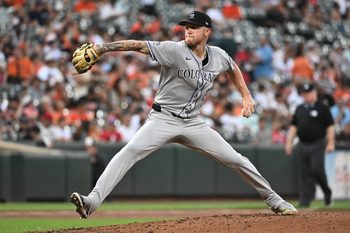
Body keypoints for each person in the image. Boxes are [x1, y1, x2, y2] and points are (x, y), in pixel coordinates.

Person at [70, 10, 297, 218]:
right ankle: (92, 202)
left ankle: (273, 199)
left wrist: (246, 95)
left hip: (192, 123)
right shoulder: (173, 50)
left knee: (237, 159)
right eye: (186, 25)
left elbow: (232, 68)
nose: (188, 29)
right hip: (162, 119)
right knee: (129, 152)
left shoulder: (217, 55)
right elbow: (138, 45)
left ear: (207, 32)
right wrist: (102, 48)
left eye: (194, 26)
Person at [285, 82, 334, 208]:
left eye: (309, 93)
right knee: (303, 173)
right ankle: (304, 200)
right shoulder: (300, 108)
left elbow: (330, 126)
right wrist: (289, 142)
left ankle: (326, 192)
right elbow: (294, 127)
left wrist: (330, 143)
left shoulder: (322, 108)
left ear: (314, 93)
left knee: (317, 170)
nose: (306, 96)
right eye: (304, 94)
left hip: (317, 143)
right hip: (302, 144)